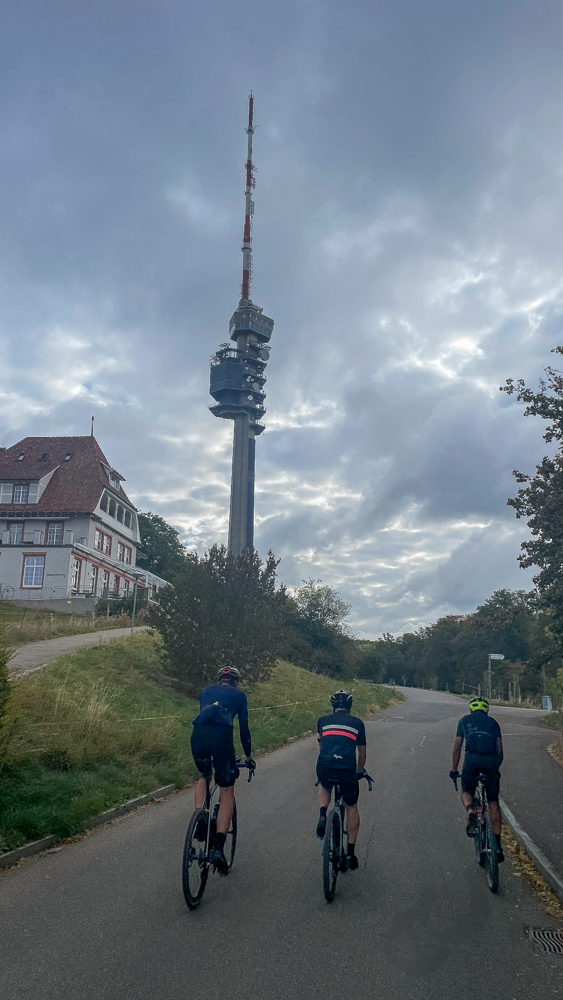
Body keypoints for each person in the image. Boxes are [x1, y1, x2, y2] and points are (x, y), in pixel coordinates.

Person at [191, 666, 255, 874]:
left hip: (199, 735)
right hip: (222, 738)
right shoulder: (240, 695)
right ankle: (218, 847)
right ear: (235, 681)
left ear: (219, 680)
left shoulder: (206, 691)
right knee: (226, 790)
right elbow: (244, 729)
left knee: (203, 775)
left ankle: (199, 819)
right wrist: (248, 756)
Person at [315, 690, 367, 871]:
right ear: (349, 707)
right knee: (351, 806)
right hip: (346, 769)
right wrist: (360, 772)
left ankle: (322, 814)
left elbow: (322, 746)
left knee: (324, 784)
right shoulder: (358, 723)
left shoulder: (322, 721)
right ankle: (351, 852)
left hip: (325, 764)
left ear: (333, 707)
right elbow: (362, 753)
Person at [450, 697, 504, 862]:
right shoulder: (493, 723)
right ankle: (497, 845)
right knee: (493, 802)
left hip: (472, 762)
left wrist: (454, 769)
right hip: (490, 763)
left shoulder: (464, 721)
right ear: (486, 709)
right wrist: (495, 768)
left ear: (471, 709)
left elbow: (458, 746)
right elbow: (499, 749)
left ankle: (471, 810)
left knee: (466, 790)